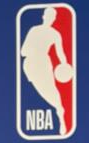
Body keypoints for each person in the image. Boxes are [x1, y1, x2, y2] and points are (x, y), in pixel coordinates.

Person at [20, 6, 69, 135]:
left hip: (44, 63)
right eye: (48, 16)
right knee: (41, 90)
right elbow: (23, 51)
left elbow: (61, 53)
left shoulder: (55, 34)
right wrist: (33, 51)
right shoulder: (34, 30)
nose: (50, 19)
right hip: (30, 65)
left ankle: (61, 116)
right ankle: (58, 109)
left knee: (52, 90)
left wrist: (64, 65)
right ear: (43, 17)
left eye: (52, 17)